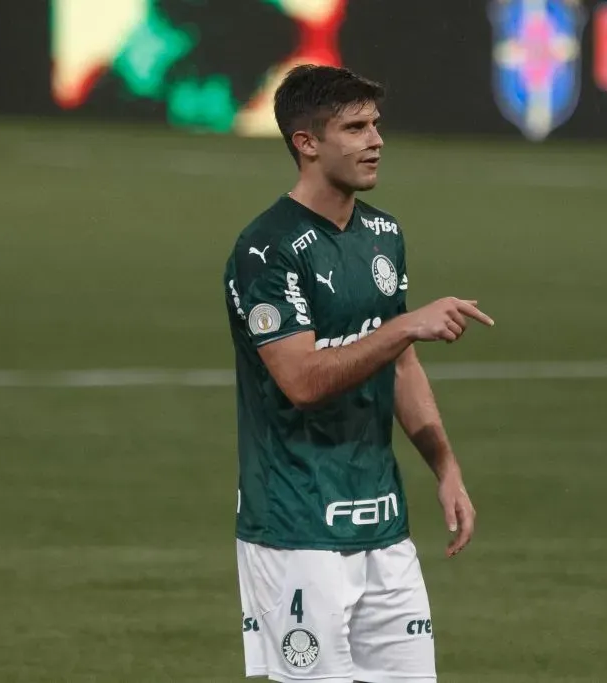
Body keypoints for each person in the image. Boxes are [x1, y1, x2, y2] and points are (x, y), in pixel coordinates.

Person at [222, 64, 494, 683]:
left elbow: (402, 366)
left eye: (375, 124)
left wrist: (446, 468)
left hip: (383, 523)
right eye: (354, 128)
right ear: (306, 143)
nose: (376, 140)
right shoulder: (266, 251)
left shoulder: (382, 234)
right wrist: (405, 326)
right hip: (296, 527)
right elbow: (302, 381)